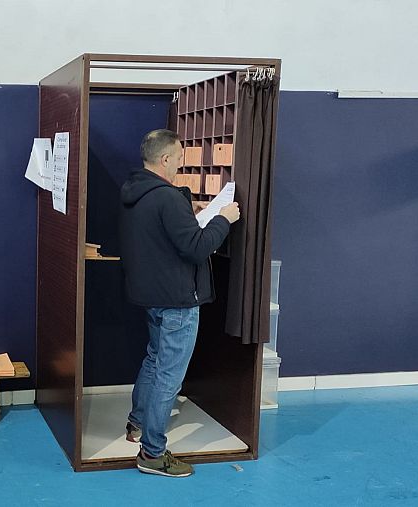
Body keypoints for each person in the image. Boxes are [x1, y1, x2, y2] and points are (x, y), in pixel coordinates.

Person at [119, 129, 240, 477]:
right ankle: (153, 454)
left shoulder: (135, 192)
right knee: (169, 375)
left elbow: (165, 232)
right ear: (166, 159)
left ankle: (137, 425)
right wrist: (222, 219)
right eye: (180, 158)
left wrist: (189, 211)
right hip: (177, 300)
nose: (181, 164)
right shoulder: (168, 198)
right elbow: (197, 248)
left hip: (151, 296)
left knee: (155, 359)